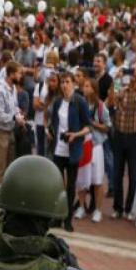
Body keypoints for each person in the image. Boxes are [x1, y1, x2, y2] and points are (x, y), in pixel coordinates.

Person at [108, 61, 136, 220]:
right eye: (132, 71)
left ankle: (130, 207)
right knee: (117, 173)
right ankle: (118, 207)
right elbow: (112, 101)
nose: (133, 74)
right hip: (119, 135)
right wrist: (117, 80)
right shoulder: (123, 89)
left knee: (134, 174)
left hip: (134, 137)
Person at [49, 73, 91, 232]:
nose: (64, 85)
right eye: (63, 82)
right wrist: (50, 132)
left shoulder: (80, 102)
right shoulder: (58, 101)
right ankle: (57, 217)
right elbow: (54, 121)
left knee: (71, 185)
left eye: (67, 82)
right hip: (59, 147)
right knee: (58, 184)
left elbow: (88, 126)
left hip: (73, 149)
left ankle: (68, 219)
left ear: (74, 84)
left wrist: (76, 135)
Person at [75, 78, 110, 223]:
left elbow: (107, 127)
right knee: (81, 177)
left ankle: (98, 210)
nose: (84, 88)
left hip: (95, 145)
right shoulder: (78, 104)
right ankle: (81, 207)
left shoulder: (101, 107)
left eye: (88, 86)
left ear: (94, 89)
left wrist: (93, 123)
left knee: (97, 179)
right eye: (84, 86)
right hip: (82, 144)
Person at [0, 61, 24, 199]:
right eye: (19, 73)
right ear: (11, 74)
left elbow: (14, 106)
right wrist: (15, 119)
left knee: (10, 166)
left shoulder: (13, 88)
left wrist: (18, 115)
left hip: (9, 131)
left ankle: (6, 197)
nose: (21, 76)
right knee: (0, 168)